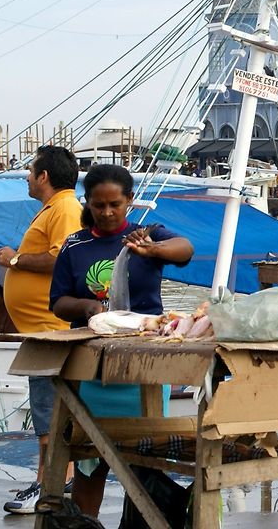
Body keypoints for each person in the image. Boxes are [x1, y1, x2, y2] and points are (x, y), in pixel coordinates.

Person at [50, 164, 194, 518]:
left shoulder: (148, 234)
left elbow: (186, 248)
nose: (108, 212)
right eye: (99, 205)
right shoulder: (75, 245)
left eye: (115, 204)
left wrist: (153, 251)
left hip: (142, 371)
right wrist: (85, 306)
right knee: (89, 463)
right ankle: (86, 523)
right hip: (91, 372)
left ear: (129, 200)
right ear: (89, 203)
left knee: (145, 462)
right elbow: (58, 303)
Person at [0, 145, 81, 514]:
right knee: (47, 410)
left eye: (31, 171)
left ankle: (51, 485)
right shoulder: (53, 208)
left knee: (48, 413)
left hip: (50, 329)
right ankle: (55, 480)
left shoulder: (63, 208)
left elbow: (60, 256)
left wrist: (13, 258)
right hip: (40, 329)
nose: (28, 177)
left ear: (44, 176)